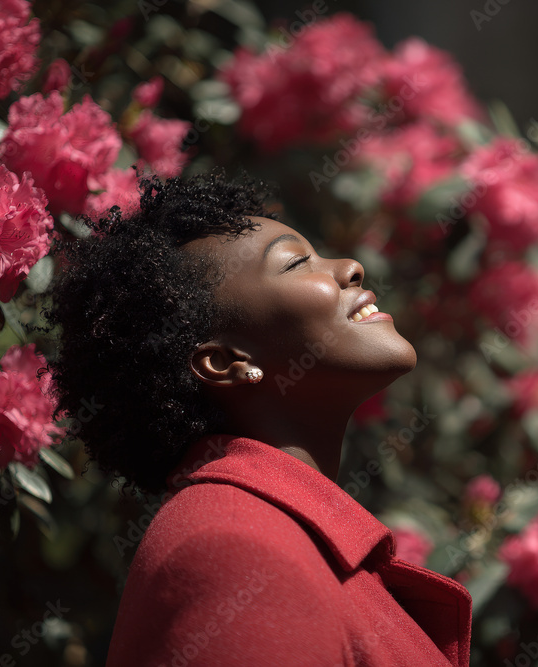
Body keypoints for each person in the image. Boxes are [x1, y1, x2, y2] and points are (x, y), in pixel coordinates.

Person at [43, 170, 472, 666]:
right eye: (295, 263)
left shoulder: (271, 537)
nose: (351, 267)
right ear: (226, 362)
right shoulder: (234, 552)